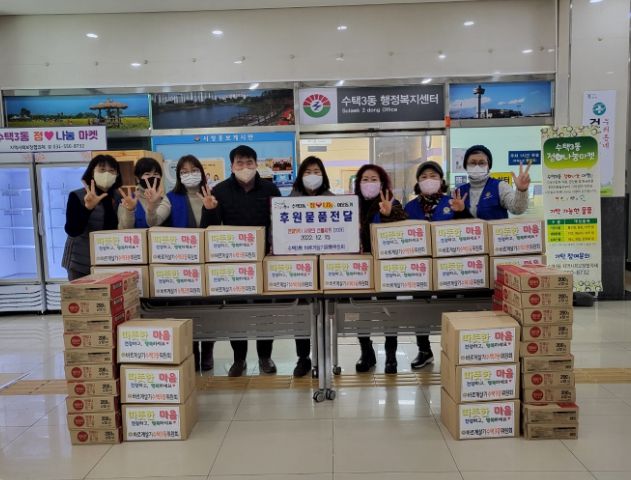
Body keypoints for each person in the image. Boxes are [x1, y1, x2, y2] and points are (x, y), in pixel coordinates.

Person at [200, 145, 281, 377]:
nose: (245, 167)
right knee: (236, 312)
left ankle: (265, 357)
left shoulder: (270, 189)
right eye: (240, 163)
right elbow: (208, 228)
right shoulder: (220, 190)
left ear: (256, 164)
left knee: (265, 312)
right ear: (232, 166)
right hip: (233, 262)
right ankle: (239, 359)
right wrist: (209, 209)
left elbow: (280, 223)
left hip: (264, 261)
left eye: (249, 162)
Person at [403, 161, 469, 369]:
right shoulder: (410, 207)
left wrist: (462, 212)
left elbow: (470, 230)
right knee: (419, 309)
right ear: (418, 182)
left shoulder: (453, 202)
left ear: (441, 180)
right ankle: (424, 350)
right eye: (423, 177)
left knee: (449, 308)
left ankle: (452, 349)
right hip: (419, 267)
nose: (428, 180)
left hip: (450, 267)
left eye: (433, 176)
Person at [354, 164, 407, 374]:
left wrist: (388, 213)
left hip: (387, 268)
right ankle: (366, 352)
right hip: (360, 269)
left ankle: (391, 356)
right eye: (365, 179)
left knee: (389, 312)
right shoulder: (351, 205)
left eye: (373, 179)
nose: (369, 183)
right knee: (361, 312)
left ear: (382, 182)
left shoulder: (392, 202)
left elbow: (404, 226)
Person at [168, 154, 215, 372]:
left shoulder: (211, 194)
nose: (189, 175)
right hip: (182, 263)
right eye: (184, 171)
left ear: (201, 172)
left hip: (208, 261)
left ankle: (208, 352)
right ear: (178, 175)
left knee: (209, 309)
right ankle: (192, 352)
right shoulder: (171, 198)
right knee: (187, 310)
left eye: (194, 170)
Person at [289, 156, 334, 377]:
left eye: (316, 171)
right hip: (300, 267)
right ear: (300, 176)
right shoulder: (290, 201)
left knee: (323, 315)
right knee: (301, 314)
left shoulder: (333, 200)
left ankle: (323, 358)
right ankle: (303, 358)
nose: (312, 176)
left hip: (325, 267)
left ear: (323, 175)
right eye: (307, 172)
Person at [63, 154, 123, 280]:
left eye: (112, 171)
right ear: (92, 172)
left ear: (117, 175)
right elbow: (72, 230)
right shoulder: (77, 196)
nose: (107, 174)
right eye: (102, 170)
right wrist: (87, 209)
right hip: (80, 263)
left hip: (108, 260)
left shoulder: (118, 197)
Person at [456, 145, 531, 219]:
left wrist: (521, 190)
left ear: (488, 166)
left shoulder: (500, 186)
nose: (477, 167)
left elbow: (517, 209)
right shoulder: (458, 192)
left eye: (482, 163)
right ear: (466, 166)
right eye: (472, 163)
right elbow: (452, 219)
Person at [118, 157, 171, 229]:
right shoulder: (127, 200)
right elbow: (123, 229)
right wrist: (129, 211)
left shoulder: (165, 200)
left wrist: (152, 205)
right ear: (137, 179)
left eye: (156, 174)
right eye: (147, 174)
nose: (152, 177)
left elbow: (154, 223)